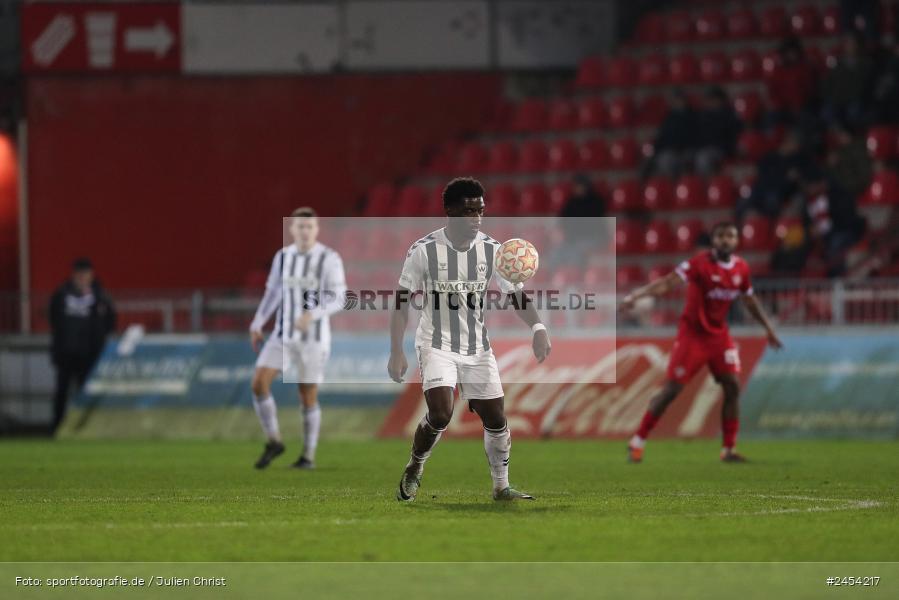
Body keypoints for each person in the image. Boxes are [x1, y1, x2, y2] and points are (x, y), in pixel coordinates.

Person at [388, 177, 551, 502]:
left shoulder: (493, 250)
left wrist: (538, 327)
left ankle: (501, 488)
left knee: (496, 418)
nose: (476, 218)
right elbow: (401, 302)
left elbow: (515, 295)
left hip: (477, 348)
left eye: (480, 211)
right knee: (441, 414)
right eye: (469, 212)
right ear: (450, 211)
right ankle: (415, 465)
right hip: (435, 344)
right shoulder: (423, 251)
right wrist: (396, 351)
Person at [619, 222, 783, 463]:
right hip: (692, 337)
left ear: (736, 241)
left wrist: (768, 328)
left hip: (719, 337)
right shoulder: (698, 264)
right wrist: (637, 295)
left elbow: (749, 300)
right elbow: (667, 282)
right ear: (714, 241)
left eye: (730, 236)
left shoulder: (741, 268)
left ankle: (728, 449)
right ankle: (637, 441)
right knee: (671, 391)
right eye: (721, 236)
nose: (725, 240)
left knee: (732, 386)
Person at [248, 207, 347, 470]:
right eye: (300, 226)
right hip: (282, 335)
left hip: (314, 338)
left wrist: (312, 314)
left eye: (309, 227)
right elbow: (272, 293)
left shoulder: (328, 258)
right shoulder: (283, 257)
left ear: (317, 229)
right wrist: (258, 322)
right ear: (292, 229)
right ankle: (274, 441)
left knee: (307, 394)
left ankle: (308, 456)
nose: (305, 231)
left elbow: (339, 298)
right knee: (258, 383)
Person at [48, 258, 116, 433]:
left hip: (89, 353)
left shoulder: (100, 297)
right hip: (65, 353)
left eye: (85, 274)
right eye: (79, 274)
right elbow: (53, 318)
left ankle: (83, 428)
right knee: (62, 391)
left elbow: (110, 321)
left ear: (91, 275)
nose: (82, 278)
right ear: (73, 275)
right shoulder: (62, 294)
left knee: (85, 392)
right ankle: (58, 426)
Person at [646, 90, 698, 178]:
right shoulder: (669, 117)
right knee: (663, 159)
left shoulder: (693, 116)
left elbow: (694, 137)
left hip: (687, 150)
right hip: (670, 151)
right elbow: (662, 137)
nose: (677, 102)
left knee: (688, 159)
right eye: (675, 100)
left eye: (680, 100)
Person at [694, 87, 742, 176]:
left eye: (713, 99)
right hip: (705, 148)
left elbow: (732, 136)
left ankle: (709, 182)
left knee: (703, 158)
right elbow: (699, 135)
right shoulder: (704, 115)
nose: (711, 102)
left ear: (720, 100)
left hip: (722, 149)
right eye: (710, 99)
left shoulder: (729, 115)